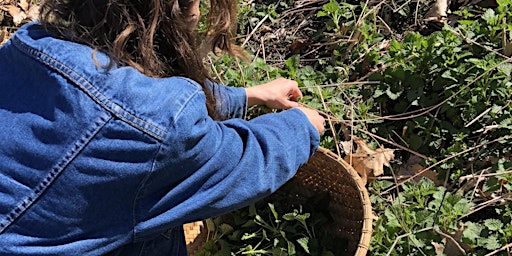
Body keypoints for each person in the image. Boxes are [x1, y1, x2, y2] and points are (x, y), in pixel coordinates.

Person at [0, 0, 325, 255]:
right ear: (174, 12)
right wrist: (303, 125)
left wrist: (247, 96)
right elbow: (244, 161)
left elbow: (126, 93)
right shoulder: (154, 122)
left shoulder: (28, 44)